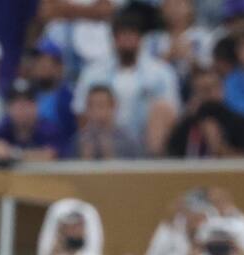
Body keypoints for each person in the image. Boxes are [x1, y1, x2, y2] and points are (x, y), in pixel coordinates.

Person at [72, 8, 181, 157]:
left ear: (141, 39)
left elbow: (172, 114)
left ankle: (153, 164)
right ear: (114, 39)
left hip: (146, 142)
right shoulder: (93, 72)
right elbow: (81, 113)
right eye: (122, 36)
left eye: (132, 35)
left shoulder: (161, 73)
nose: (127, 41)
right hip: (106, 140)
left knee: (162, 107)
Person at [0, 80, 64, 161]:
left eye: (27, 103)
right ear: (8, 108)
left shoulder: (49, 129)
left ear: (36, 106)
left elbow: (50, 156)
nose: (22, 108)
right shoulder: (1, 128)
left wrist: (13, 153)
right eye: (17, 103)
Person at [70, 84, 141, 159]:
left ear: (113, 106)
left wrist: (110, 155)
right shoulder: (78, 141)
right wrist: (85, 159)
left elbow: (140, 166)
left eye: (101, 106)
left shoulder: (128, 140)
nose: (96, 111)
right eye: (91, 106)